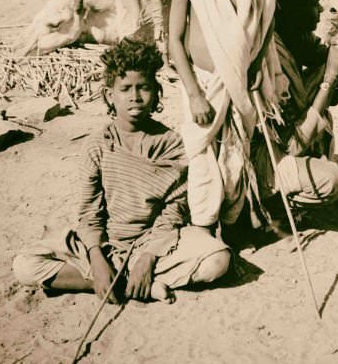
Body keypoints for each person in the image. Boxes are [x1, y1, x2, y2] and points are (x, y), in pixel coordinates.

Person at [12, 39, 231, 302]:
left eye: (144, 88)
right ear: (109, 95)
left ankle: (128, 279)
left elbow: (174, 211)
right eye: (125, 88)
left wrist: (148, 257)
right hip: (106, 241)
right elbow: (89, 212)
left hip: (156, 241)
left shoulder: (171, 143)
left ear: (157, 93)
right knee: (25, 265)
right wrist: (96, 258)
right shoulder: (98, 144)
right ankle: (125, 283)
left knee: (218, 260)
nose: (135, 97)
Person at [168, 0, 282, 230]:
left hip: (244, 81)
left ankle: (234, 224)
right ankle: (203, 227)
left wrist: (257, 69)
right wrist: (194, 93)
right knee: (204, 159)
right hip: (206, 86)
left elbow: (264, 26)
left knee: (237, 153)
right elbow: (174, 40)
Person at [252, 0, 338, 225]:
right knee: (331, 179)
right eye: (313, 5)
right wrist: (331, 75)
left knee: (322, 100)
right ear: (288, 7)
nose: (321, 11)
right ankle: (274, 206)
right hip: (266, 159)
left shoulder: (296, 35)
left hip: (292, 143)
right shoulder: (270, 55)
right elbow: (293, 144)